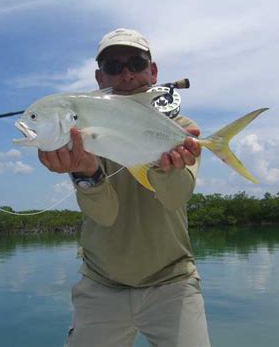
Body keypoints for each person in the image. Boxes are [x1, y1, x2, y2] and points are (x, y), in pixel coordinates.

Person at [38, 28, 211, 347]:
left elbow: (174, 198)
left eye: (136, 63)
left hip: (173, 284)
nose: (127, 74)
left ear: (153, 71)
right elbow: (105, 215)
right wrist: (85, 172)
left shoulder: (181, 130)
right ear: (100, 77)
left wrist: (162, 164)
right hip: (101, 286)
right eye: (114, 67)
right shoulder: (83, 135)